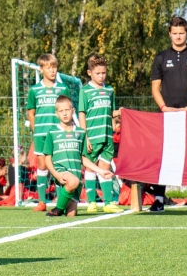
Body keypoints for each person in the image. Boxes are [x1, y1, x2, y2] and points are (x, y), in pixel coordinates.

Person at [148, 16, 187, 213]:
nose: (178, 36)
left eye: (181, 33)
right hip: (167, 117)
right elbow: (155, 88)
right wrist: (164, 107)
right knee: (165, 156)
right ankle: (159, 199)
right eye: (174, 33)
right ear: (169, 34)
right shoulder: (161, 58)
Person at [44, 96, 106, 217]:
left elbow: (82, 158)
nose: (65, 113)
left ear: (73, 111)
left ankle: (61, 208)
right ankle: (57, 208)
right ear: (56, 114)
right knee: (73, 181)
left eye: (67, 110)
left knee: (71, 215)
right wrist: (56, 174)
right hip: (62, 174)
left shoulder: (80, 133)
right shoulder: (52, 132)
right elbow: (47, 159)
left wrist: (100, 171)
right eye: (61, 111)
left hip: (76, 177)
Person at [78, 54, 124, 213]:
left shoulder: (110, 90)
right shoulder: (85, 91)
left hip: (107, 137)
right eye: (98, 73)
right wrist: (85, 137)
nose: (101, 76)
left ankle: (108, 203)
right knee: (90, 169)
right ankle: (91, 202)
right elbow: (82, 114)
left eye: (104, 73)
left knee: (105, 167)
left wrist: (119, 112)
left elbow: (111, 112)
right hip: (92, 136)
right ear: (89, 73)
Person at [26, 54, 71, 211]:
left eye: (54, 67)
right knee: (42, 165)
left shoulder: (62, 88)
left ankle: (62, 202)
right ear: (41, 69)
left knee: (59, 165)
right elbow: (30, 111)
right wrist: (35, 129)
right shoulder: (35, 90)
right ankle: (41, 201)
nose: (52, 70)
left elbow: (68, 110)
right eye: (48, 67)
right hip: (41, 134)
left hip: (58, 134)